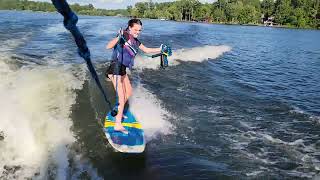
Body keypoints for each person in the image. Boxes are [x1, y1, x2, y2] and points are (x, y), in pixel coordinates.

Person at [105, 19, 162, 133]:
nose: (137, 32)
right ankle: (117, 124)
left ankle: (119, 112)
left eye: (139, 30)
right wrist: (118, 37)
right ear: (129, 28)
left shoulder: (136, 41)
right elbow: (108, 46)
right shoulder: (124, 35)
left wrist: (160, 49)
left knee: (129, 92)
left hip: (122, 70)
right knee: (121, 97)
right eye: (135, 29)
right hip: (115, 67)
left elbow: (146, 50)